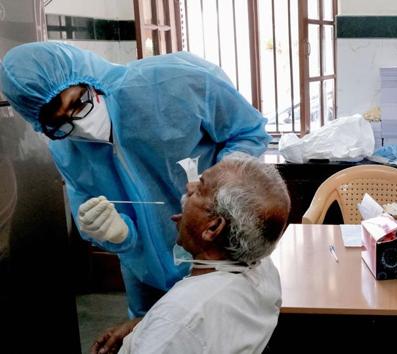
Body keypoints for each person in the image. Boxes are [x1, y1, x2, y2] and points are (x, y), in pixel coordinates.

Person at [0, 42, 271, 318]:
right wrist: (118, 234)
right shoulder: (66, 149)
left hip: (220, 254)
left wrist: (220, 182)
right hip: (148, 271)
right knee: (152, 336)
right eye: (60, 123)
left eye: (78, 103)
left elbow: (248, 132)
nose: (80, 124)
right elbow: (89, 209)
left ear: (86, 75)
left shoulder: (175, 82)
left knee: (224, 328)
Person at [91, 153, 290, 354]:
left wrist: (159, 329)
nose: (189, 187)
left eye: (199, 189)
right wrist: (142, 326)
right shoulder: (264, 269)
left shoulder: (177, 321)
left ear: (212, 228)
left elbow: (181, 326)